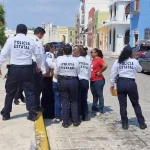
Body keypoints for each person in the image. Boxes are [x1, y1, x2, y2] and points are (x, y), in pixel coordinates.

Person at [0, 24, 42, 121]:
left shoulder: (11, 40)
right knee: (29, 92)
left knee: (10, 92)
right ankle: (32, 114)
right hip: (27, 69)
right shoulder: (31, 41)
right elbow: (38, 55)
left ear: (16, 31)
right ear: (26, 32)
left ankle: (6, 114)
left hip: (14, 69)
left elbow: (3, 55)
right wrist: (39, 66)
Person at [110, 46, 147, 130]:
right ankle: (141, 123)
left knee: (122, 104)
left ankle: (125, 124)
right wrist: (134, 59)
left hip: (121, 83)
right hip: (131, 83)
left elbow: (113, 73)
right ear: (131, 53)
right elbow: (140, 69)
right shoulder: (134, 61)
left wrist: (112, 84)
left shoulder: (118, 61)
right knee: (135, 104)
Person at [54, 45, 80, 128]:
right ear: (71, 51)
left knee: (64, 101)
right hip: (73, 80)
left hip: (63, 80)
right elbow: (78, 71)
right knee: (74, 101)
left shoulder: (59, 59)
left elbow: (56, 71)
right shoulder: (75, 60)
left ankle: (65, 122)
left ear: (63, 51)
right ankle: (75, 121)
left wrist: (58, 78)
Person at [31, 27, 45, 111]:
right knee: (38, 87)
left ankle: (33, 106)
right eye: (42, 35)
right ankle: (36, 106)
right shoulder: (37, 42)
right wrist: (40, 67)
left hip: (28, 65)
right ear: (39, 33)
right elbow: (39, 55)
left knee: (31, 88)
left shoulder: (29, 39)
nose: (42, 37)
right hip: (35, 65)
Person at [90, 48, 107, 116]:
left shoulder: (99, 59)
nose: (91, 53)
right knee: (94, 95)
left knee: (99, 95)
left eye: (92, 52)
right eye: (90, 52)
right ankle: (94, 107)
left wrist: (100, 72)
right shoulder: (93, 60)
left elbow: (105, 66)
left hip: (99, 80)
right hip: (92, 80)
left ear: (96, 53)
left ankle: (101, 109)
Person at [41, 43, 55, 119]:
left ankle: (44, 112)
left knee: (44, 95)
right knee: (49, 96)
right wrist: (54, 67)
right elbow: (50, 64)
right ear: (50, 48)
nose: (54, 49)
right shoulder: (50, 54)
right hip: (47, 77)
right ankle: (49, 114)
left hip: (43, 77)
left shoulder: (44, 54)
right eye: (53, 48)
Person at [77, 47, 91, 121]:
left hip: (79, 80)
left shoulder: (77, 60)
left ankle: (78, 115)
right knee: (84, 98)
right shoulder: (88, 62)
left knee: (78, 98)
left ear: (79, 53)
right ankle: (85, 115)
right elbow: (89, 72)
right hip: (86, 81)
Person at [53, 48, 64, 122]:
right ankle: (66, 115)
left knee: (57, 99)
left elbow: (55, 72)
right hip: (65, 81)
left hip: (56, 81)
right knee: (65, 99)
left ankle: (57, 117)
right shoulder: (66, 60)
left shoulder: (55, 60)